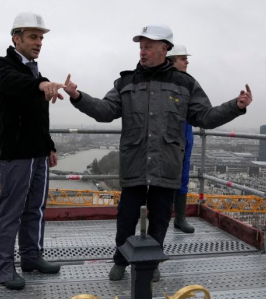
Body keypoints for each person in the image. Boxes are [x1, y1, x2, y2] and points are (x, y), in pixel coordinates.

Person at [63, 24, 252, 281]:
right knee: (126, 216)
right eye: (141, 47)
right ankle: (121, 260)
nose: (143, 51)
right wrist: (77, 96)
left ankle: (151, 263)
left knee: (161, 216)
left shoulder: (185, 84)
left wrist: (236, 106)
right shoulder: (126, 82)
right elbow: (105, 111)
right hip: (134, 161)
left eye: (149, 46)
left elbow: (204, 116)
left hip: (166, 164)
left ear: (165, 49)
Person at [0, 11, 66, 290]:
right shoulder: (2, 66)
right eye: (33, 37)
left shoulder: (35, 72)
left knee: (35, 208)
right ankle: (5, 269)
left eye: (41, 37)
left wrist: (49, 146)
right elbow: (14, 84)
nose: (39, 42)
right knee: (11, 212)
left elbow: (38, 117)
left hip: (37, 153)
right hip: (16, 154)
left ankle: (32, 257)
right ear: (16, 38)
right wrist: (41, 84)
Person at [167, 44, 195, 233]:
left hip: (185, 134)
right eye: (183, 58)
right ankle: (159, 218)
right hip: (169, 136)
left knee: (183, 176)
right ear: (172, 61)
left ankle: (180, 218)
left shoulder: (189, 82)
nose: (187, 61)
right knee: (163, 177)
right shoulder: (164, 83)